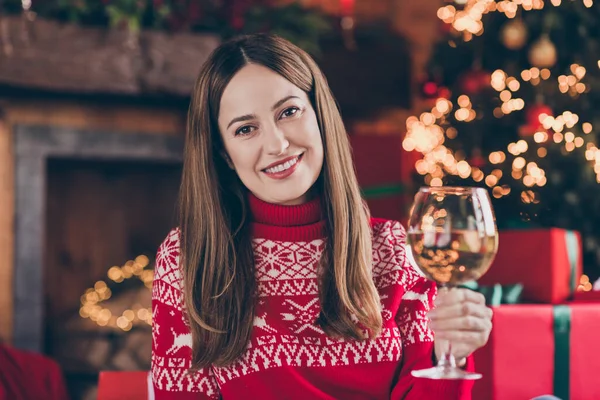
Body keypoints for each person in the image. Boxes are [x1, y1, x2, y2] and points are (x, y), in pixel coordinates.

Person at [151, 33, 493, 399]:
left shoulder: (394, 251)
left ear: (320, 114)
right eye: (246, 129)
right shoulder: (189, 259)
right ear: (223, 153)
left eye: (289, 112)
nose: (277, 144)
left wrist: (451, 354)